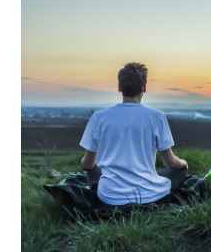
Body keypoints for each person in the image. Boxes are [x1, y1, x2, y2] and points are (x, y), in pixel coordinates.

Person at [79, 62, 188, 206]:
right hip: (148, 195)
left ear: (119, 88)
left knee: (93, 168)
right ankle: (150, 182)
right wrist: (184, 164)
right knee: (179, 171)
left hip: (110, 197)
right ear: (144, 87)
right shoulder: (157, 117)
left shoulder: (98, 117)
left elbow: (87, 165)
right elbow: (170, 163)